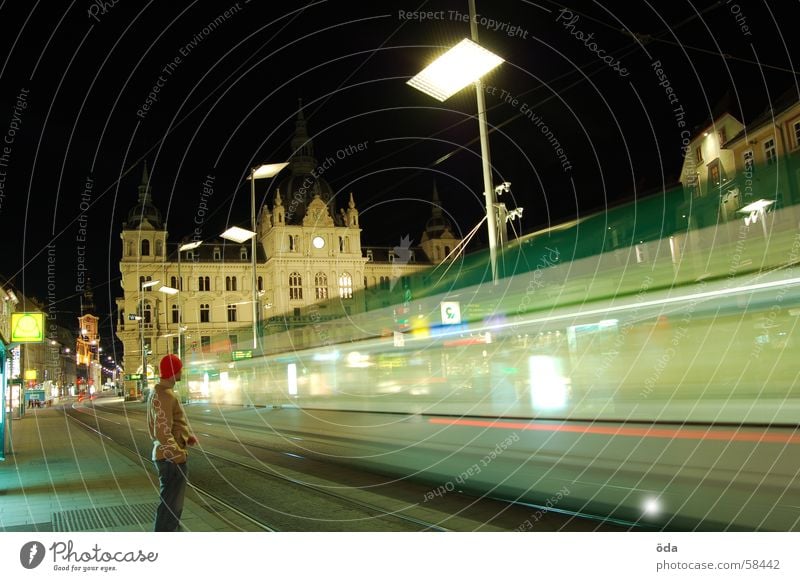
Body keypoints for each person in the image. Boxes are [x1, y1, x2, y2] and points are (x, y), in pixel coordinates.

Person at [147, 354, 198, 532]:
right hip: (170, 459)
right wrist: (178, 454)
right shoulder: (165, 395)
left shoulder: (162, 392)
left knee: (170, 504)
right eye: (179, 368)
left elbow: (169, 423)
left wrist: (186, 436)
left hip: (168, 457)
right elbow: (162, 431)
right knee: (171, 507)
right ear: (173, 371)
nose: (182, 371)